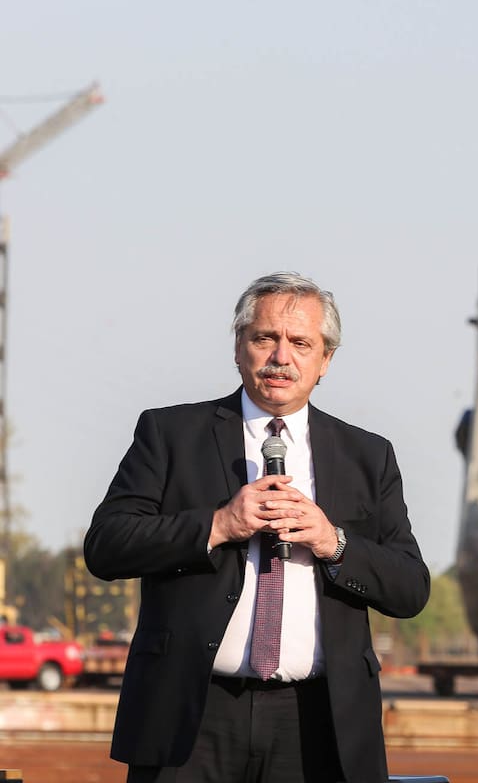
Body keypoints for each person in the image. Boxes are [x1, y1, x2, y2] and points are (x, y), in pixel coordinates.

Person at [85, 272, 431, 783]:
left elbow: (410, 588)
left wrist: (332, 542)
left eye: (300, 343)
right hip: (192, 716)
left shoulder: (368, 456)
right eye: (264, 337)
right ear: (238, 347)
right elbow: (106, 546)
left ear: (325, 360)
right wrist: (219, 524)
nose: (280, 357)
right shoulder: (170, 434)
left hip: (317, 722)